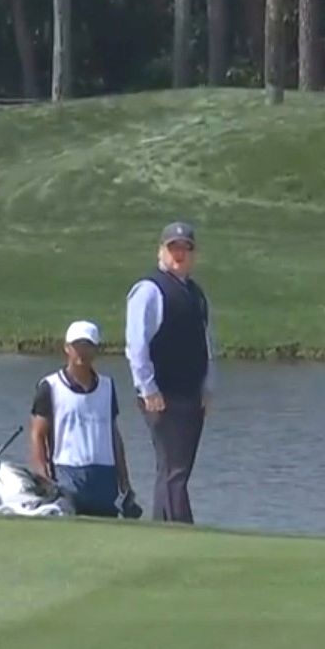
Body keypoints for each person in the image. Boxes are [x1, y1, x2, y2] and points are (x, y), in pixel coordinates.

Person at [125, 221, 214, 523]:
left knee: (177, 469)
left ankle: (165, 527)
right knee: (174, 468)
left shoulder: (196, 294)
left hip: (191, 393)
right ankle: (181, 528)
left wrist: (207, 387)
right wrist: (148, 388)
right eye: (173, 248)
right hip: (162, 394)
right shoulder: (149, 290)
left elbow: (205, 343)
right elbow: (137, 344)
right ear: (161, 251)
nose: (179, 254)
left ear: (193, 254)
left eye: (185, 249)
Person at [29, 321, 138, 518]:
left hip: (104, 474)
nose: (82, 352)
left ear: (96, 350)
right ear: (67, 348)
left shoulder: (107, 386)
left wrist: (124, 482)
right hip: (66, 472)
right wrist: (42, 476)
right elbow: (37, 434)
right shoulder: (50, 386)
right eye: (77, 346)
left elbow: (114, 434)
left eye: (87, 346)